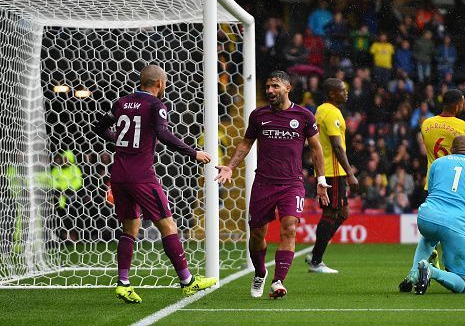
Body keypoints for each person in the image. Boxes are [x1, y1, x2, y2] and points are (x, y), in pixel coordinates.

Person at [94, 64, 217, 303]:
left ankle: (123, 283)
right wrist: (194, 153)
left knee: (129, 229)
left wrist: (118, 140)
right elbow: (163, 134)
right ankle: (187, 282)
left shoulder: (121, 103)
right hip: (142, 176)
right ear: (160, 83)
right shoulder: (156, 105)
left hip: (118, 175)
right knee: (168, 225)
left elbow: (100, 127)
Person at [215, 70, 330, 299]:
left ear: (288, 88)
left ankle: (278, 281)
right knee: (257, 234)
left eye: (275, 86)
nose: (270, 91)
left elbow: (316, 148)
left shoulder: (304, 116)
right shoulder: (258, 116)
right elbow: (246, 144)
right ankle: (260, 272)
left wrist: (321, 180)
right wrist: (230, 166)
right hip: (264, 183)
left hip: (292, 183)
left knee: (289, 227)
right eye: (268, 87)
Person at [398, 89, 465, 292]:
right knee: (453, 233)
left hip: (433, 186)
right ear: (458, 105)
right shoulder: (464, 127)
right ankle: (449, 271)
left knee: (428, 237)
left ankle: (414, 273)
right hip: (456, 188)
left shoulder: (426, 124)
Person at [408, 135, 465, 295]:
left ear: (451, 150)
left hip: (426, 217)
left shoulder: (437, 163)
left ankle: (414, 273)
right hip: (456, 224)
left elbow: (432, 192)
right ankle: (430, 271)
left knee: (430, 235)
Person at [305, 78, 359, 273]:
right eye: (342, 91)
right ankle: (316, 261)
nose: (346, 93)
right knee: (330, 212)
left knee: (343, 212)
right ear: (332, 94)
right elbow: (336, 145)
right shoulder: (331, 112)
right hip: (333, 171)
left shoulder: (321, 110)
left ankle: (315, 252)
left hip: (330, 169)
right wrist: (351, 173)